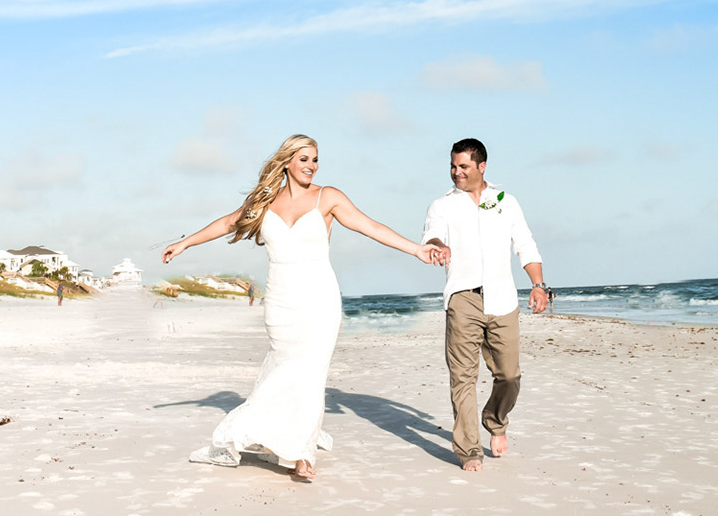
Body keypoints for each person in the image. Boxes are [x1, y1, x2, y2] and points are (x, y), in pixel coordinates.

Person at [164, 134, 446, 481]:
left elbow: (370, 227)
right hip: (281, 300)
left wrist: (416, 249)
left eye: (315, 159)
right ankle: (278, 434)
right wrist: (184, 243)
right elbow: (227, 222)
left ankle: (302, 455)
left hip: (319, 299)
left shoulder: (328, 197)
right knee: (285, 370)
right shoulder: (265, 201)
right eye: (304, 159)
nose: (311, 166)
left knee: (311, 374)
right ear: (286, 162)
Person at [421, 137, 548, 472]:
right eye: (452, 166)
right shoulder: (442, 205)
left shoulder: (504, 201)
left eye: (463, 166)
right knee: (462, 377)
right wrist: (437, 246)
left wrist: (538, 286)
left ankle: (496, 419)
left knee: (509, 375)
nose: (456, 172)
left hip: (503, 298)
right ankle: (469, 450)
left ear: (482, 166)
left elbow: (525, 243)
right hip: (462, 297)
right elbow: (432, 235)